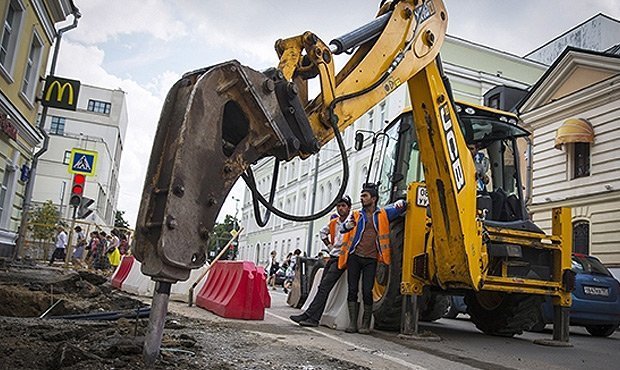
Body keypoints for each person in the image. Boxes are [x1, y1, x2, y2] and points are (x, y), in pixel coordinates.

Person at [339, 184, 406, 334]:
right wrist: (348, 225)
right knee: (352, 290)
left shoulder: (383, 214)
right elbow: (343, 228)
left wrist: (402, 202)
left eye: (365, 196)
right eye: (361, 196)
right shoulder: (356, 215)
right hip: (355, 257)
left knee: (367, 291)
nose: (362, 199)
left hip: (371, 259)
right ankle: (352, 324)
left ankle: (365, 324)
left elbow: (401, 207)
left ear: (373, 199)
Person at [289, 195, 352, 327]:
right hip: (333, 256)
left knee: (324, 287)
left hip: (342, 259)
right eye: (339, 206)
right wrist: (330, 247)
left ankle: (310, 316)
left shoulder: (353, 221)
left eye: (343, 206)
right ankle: (313, 317)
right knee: (322, 287)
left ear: (349, 207)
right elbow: (322, 233)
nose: (341, 208)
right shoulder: (334, 223)